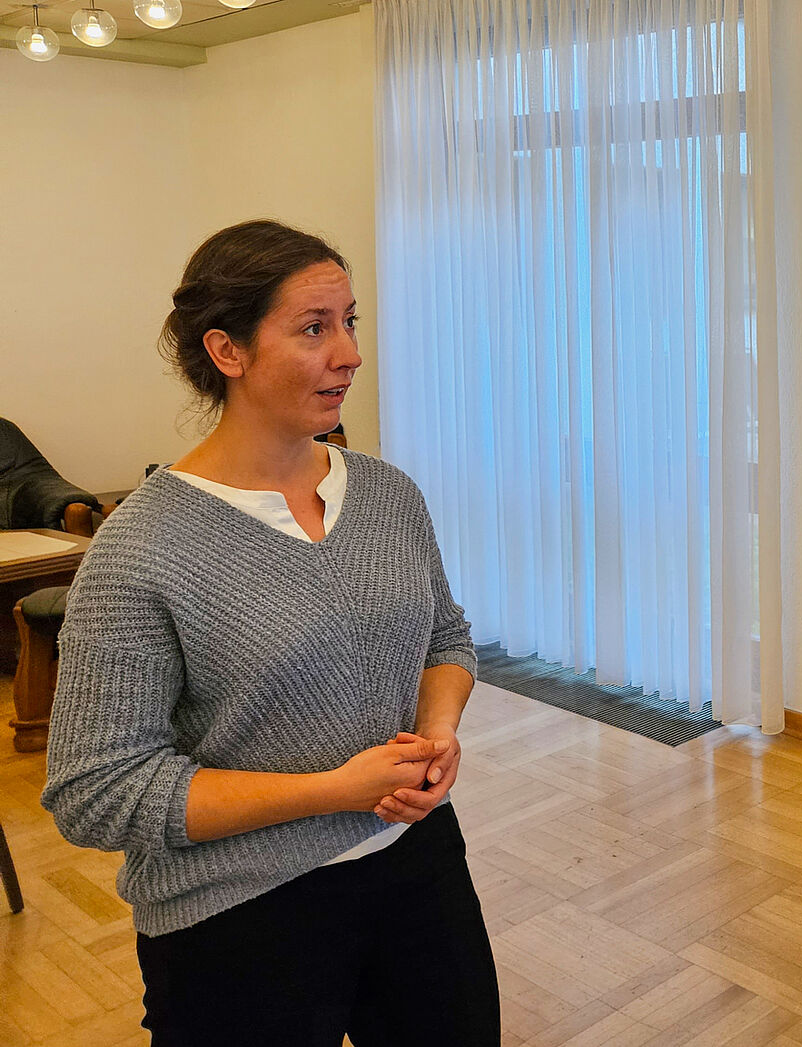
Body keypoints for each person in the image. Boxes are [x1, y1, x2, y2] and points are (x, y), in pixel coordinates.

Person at [42, 219, 499, 1045]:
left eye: (351, 321)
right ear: (229, 351)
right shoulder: (140, 548)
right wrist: (335, 789)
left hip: (418, 866)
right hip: (238, 913)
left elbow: (447, 638)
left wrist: (437, 733)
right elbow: (95, 790)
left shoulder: (390, 495)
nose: (350, 352)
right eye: (315, 327)